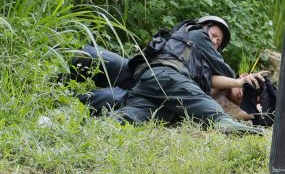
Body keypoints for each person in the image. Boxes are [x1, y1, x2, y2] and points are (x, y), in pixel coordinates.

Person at [113, 15, 265, 134]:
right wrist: (239, 80)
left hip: (152, 84)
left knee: (143, 115)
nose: (214, 42)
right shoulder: (197, 33)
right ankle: (222, 122)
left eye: (218, 42)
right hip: (166, 75)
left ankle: (107, 122)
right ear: (204, 27)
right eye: (214, 35)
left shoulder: (196, 61)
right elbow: (224, 70)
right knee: (204, 103)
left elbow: (212, 81)